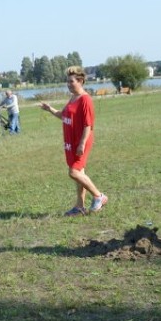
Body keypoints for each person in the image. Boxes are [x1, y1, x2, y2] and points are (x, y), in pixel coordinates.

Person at [40, 66, 107, 217]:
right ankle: (79, 206)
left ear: (81, 81)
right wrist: (50, 109)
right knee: (79, 173)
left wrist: (82, 143)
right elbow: (64, 116)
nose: (69, 84)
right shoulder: (73, 98)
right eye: (67, 82)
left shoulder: (85, 99)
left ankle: (98, 196)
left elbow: (88, 125)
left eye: (72, 82)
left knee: (74, 172)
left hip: (81, 141)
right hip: (71, 141)